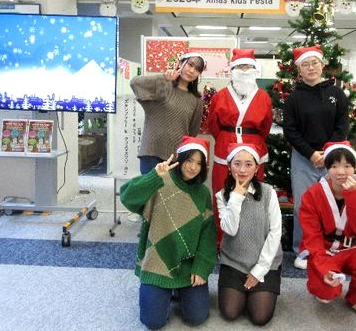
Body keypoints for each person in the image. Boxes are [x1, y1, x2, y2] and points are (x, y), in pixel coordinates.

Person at [120, 136, 217, 330]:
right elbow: (127, 197)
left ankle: (177, 290)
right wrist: (153, 176)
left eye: (199, 163)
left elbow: (208, 236)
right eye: (189, 160)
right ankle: (164, 291)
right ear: (180, 158)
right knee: (153, 322)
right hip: (156, 263)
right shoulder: (160, 180)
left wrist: (201, 268)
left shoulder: (203, 194)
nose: (193, 167)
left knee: (197, 317)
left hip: (188, 266)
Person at [299, 141, 356, 324]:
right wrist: (324, 269)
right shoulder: (313, 194)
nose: (341, 172)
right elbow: (312, 236)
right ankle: (326, 284)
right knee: (325, 292)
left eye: (347, 166)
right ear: (327, 168)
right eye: (334, 166)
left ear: (354, 168)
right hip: (325, 249)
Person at [283, 45, 349, 269]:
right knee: (303, 206)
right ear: (299, 70)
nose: (310, 68)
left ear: (322, 65)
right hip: (304, 158)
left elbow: (342, 125)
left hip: (333, 159)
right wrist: (311, 154)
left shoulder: (337, 94)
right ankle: (303, 249)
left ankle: (330, 247)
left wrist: (328, 152)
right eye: (305, 64)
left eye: (314, 63)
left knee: (333, 204)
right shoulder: (293, 98)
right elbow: (290, 131)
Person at [208, 48, 273, 247]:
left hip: (254, 149)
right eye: (240, 67)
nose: (244, 71)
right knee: (222, 192)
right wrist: (225, 139)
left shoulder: (263, 97)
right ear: (232, 70)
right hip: (225, 149)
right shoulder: (220, 96)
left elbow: (266, 126)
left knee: (253, 193)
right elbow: (213, 125)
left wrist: (253, 140)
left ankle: (249, 240)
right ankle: (221, 241)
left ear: (254, 70)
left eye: (248, 67)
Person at [216, 143, 283, 326]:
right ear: (229, 166)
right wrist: (236, 197)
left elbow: (275, 231)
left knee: (260, 317)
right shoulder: (222, 195)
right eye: (237, 164)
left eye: (248, 164)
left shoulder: (268, 192)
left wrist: (260, 269)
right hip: (234, 261)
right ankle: (242, 291)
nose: (242, 170)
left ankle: (255, 291)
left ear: (257, 168)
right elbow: (230, 229)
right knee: (230, 312)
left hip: (265, 262)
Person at [130, 52, 206, 174]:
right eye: (190, 65)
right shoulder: (163, 85)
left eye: (197, 69)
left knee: (170, 187)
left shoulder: (196, 100)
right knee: (149, 186)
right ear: (180, 63)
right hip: (151, 153)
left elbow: (192, 132)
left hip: (176, 157)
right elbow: (135, 83)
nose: (192, 71)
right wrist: (164, 78)